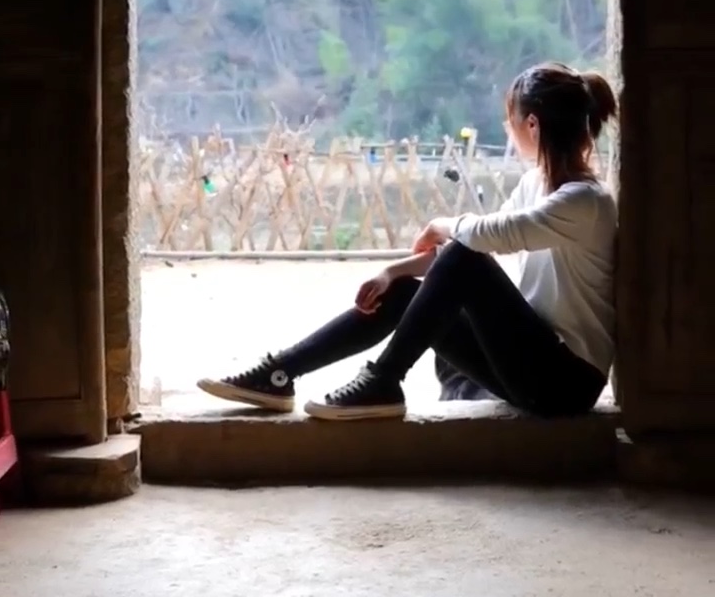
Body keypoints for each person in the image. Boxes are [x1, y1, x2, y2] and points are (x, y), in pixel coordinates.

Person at [197, 62, 618, 421]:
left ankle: (383, 380)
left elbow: (482, 239)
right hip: (530, 365)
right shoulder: (536, 184)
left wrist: (439, 224)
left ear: (532, 125)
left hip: (566, 384)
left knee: (465, 256)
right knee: (402, 294)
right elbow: (470, 250)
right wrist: (392, 272)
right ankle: (279, 374)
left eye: (511, 120)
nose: (508, 130)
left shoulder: (586, 201)